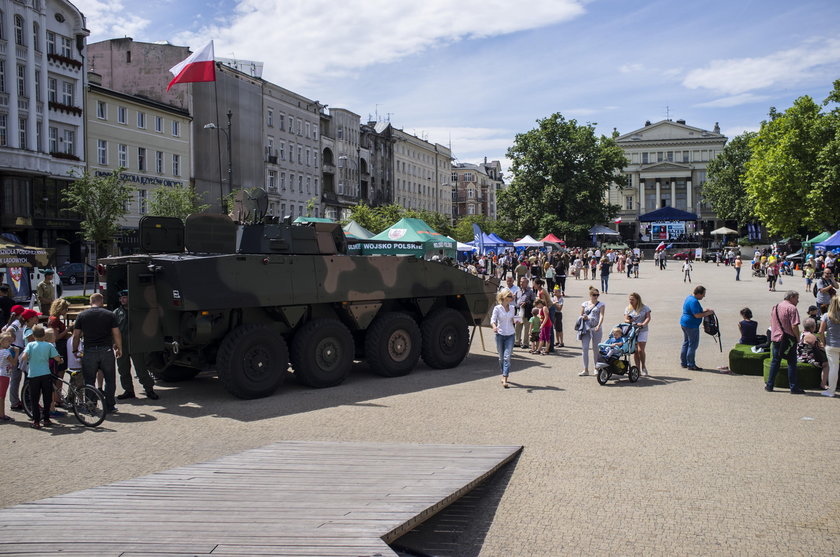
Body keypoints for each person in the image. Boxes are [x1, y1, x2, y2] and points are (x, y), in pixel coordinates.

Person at [72, 293, 123, 413]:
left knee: (89, 380)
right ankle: (110, 405)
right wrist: (119, 348)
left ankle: (91, 405)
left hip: (89, 351)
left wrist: (75, 350)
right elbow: (116, 333)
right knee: (110, 378)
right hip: (106, 350)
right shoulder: (110, 315)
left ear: (91, 302)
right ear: (102, 301)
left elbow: (76, 335)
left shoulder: (82, 315)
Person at [114, 290, 159, 400]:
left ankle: (149, 389)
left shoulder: (137, 311)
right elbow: (113, 330)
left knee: (141, 369)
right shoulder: (116, 313)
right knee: (123, 369)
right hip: (122, 345)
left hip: (136, 344)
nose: (122, 300)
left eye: (125, 297)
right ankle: (128, 390)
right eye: (121, 298)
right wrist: (114, 343)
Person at [21, 325, 63, 429]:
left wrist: (31, 358)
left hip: (33, 374)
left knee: (34, 399)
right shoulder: (49, 345)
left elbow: (24, 357)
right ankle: (46, 419)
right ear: (44, 335)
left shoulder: (30, 345)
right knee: (47, 397)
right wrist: (60, 360)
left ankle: (36, 421)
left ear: (34, 335)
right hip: (45, 374)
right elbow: (57, 358)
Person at [765, 290, 803, 394]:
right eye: (797, 298)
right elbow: (794, 326)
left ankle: (769, 385)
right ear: (791, 297)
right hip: (788, 339)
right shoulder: (792, 308)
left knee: (775, 362)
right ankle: (793, 387)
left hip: (776, 337)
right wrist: (798, 338)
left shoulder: (776, 306)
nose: (798, 301)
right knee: (791, 363)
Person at [680, 285, 714, 371]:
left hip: (684, 323)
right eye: (703, 294)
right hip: (691, 325)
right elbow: (697, 315)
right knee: (693, 344)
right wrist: (708, 313)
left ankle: (684, 363)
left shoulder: (689, 297)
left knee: (686, 343)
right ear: (698, 293)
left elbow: (694, 312)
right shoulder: (694, 301)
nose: (704, 296)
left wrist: (705, 311)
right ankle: (691, 364)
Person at [490, 288, 518, 388]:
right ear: (504, 297)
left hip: (510, 334)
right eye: (510, 296)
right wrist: (494, 327)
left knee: (507, 357)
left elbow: (514, 319)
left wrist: (516, 321)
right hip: (500, 335)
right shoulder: (497, 308)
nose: (512, 298)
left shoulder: (512, 308)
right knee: (501, 358)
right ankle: (503, 374)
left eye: (512, 296)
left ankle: (505, 377)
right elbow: (493, 320)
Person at [577, 286, 605, 376]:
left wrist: (599, 325)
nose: (596, 296)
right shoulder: (584, 304)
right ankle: (585, 369)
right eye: (594, 295)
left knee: (595, 348)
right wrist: (583, 317)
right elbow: (580, 314)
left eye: (597, 295)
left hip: (596, 328)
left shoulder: (601, 304)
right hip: (586, 328)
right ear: (590, 295)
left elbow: (601, 315)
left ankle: (596, 368)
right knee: (585, 348)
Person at [624, 292, 651, 376]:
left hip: (642, 330)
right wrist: (630, 321)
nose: (630, 301)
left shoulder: (645, 308)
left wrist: (643, 324)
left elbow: (648, 317)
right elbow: (625, 319)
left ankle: (643, 366)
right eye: (630, 299)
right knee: (635, 351)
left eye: (632, 300)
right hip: (632, 330)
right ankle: (637, 369)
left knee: (640, 350)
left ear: (637, 300)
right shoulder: (628, 308)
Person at [797, 318, 829, 389]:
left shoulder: (803, 333)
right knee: (826, 364)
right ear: (812, 327)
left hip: (801, 355)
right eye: (815, 325)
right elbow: (820, 347)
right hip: (806, 358)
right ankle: (823, 384)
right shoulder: (811, 336)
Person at [818, 296, 840, 397]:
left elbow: (820, 332)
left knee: (833, 368)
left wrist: (823, 342)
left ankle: (831, 391)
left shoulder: (827, 315)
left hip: (831, 344)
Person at [0, 332, 17, 423]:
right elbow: (14, 363)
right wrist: (17, 353)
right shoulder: (6, 352)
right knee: (2, 396)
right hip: (4, 375)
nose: (9, 343)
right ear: (2, 341)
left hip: (1, 373)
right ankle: (2, 415)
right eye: (7, 341)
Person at [515, 277, 535, 348]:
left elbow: (534, 302)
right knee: (517, 327)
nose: (521, 283)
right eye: (520, 282)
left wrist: (526, 303)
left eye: (523, 282)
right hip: (518, 312)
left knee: (526, 328)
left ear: (527, 283)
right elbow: (515, 301)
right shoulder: (518, 291)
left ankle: (525, 343)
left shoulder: (531, 292)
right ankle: (517, 342)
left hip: (526, 312)